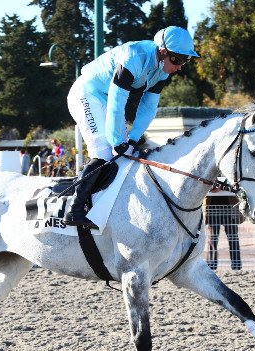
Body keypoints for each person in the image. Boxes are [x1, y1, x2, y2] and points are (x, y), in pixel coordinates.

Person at [63, 26, 200, 228]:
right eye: (178, 59)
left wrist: (134, 138)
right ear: (163, 51)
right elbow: (118, 101)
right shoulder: (134, 56)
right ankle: (74, 210)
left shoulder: (161, 72)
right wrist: (118, 141)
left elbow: (148, 107)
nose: (180, 67)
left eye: (185, 60)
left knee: (125, 154)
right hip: (87, 94)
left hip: (106, 101)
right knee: (103, 151)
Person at [205, 189, 242, 271]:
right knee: (213, 239)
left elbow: (235, 187)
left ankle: (236, 264)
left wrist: (221, 188)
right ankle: (211, 265)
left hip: (230, 209)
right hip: (212, 210)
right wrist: (213, 188)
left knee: (233, 238)